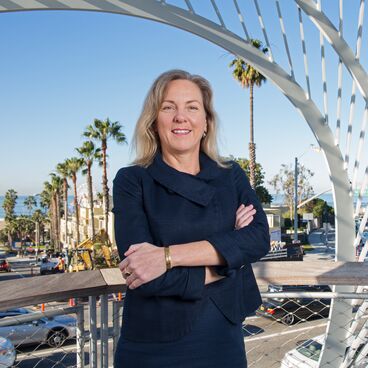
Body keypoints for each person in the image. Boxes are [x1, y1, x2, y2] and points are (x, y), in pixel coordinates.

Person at [112, 70, 270, 368]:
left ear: (206, 122)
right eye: (168, 107)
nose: (180, 117)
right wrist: (228, 259)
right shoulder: (132, 181)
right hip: (153, 345)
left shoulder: (230, 175)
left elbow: (258, 237)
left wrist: (168, 255)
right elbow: (143, 274)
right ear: (154, 122)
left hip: (223, 338)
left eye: (192, 107)